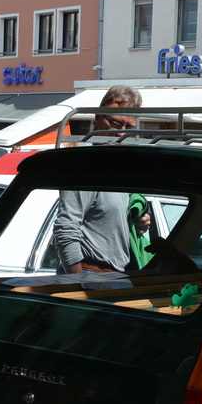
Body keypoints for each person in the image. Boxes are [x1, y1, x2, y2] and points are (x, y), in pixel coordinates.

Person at [50, 86, 143, 273]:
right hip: (92, 274)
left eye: (129, 128)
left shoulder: (119, 167)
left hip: (115, 274)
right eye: (116, 124)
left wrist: (137, 223)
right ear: (98, 119)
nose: (121, 133)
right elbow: (66, 229)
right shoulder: (85, 165)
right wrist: (77, 283)